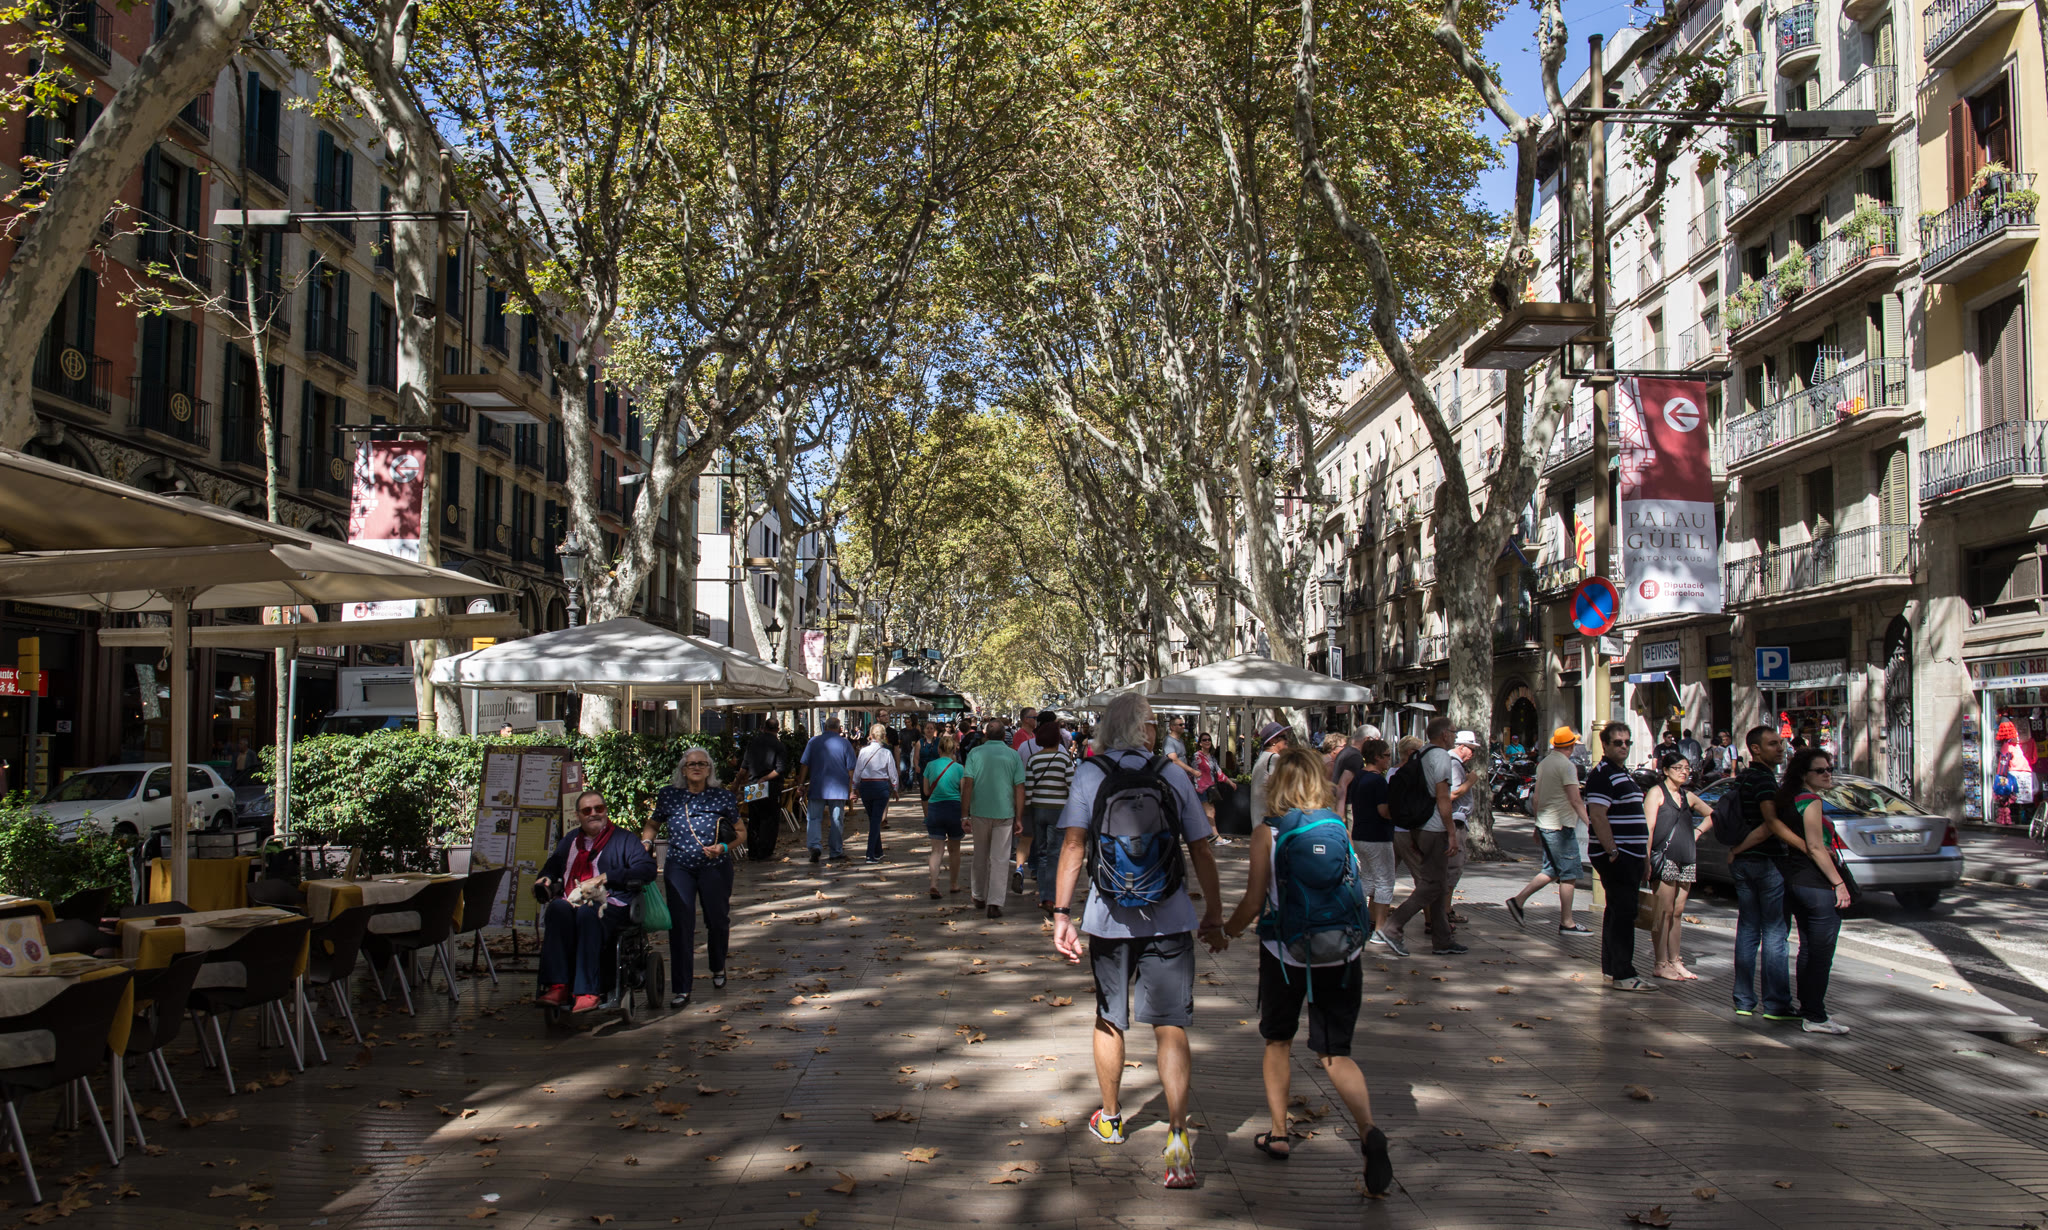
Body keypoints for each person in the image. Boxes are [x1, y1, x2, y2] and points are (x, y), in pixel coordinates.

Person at [1050, 693, 1224, 1190]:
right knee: (1171, 1025)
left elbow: (1074, 845)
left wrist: (1062, 914)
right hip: (1170, 917)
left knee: (1110, 1017)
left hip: (1108, 919)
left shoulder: (1090, 772)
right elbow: (1201, 848)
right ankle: (1178, 1138)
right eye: (1152, 724)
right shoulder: (1171, 773)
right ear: (1145, 728)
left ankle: (1110, 1118)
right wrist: (1214, 914)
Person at [1221, 746, 1392, 1194]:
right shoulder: (1337, 826)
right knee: (1335, 1053)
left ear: (1277, 784)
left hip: (1285, 954)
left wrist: (1226, 932)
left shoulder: (1269, 832)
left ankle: (1279, 1133)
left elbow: (1254, 900)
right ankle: (1368, 1130)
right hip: (1341, 954)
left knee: (1278, 1041)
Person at [535, 791, 656, 1013]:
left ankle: (587, 991)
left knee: (587, 914)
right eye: (587, 810)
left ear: (606, 810)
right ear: (578, 815)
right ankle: (558, 986)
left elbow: (647, 869)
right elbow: (553, 865)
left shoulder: (624, 839)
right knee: (557, 909)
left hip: (610, 903)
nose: (593, 814)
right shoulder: (571, 840)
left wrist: (606, 877)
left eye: (598, 808)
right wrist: (546, 878)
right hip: (573, 900)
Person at [645, 749, 741, 1009]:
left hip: (715, 867)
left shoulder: (722, 796)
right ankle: (681, 988)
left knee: (717, 920)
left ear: (709, 769)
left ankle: (717, 965)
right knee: (680, 925)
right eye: (691, 764)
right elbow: (653, 824)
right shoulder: (669, 795)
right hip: (679, 867)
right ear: (683, 770)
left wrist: (723, 847)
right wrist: (646, 842)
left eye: (702, 764)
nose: (696, 768)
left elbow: (741, 832)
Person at [1764, 747, 1851, 1034]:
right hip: (1816, 884)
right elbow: (1814, 846)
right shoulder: (1810, 801)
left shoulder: (1788, 800)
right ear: (1804, 774)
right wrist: (1838, 883)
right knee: (1821, 953)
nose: (1827, 774)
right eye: (1820, 770)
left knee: (1807, 948)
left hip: (1795, 880)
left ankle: (1809, 1009)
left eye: (1829, 769)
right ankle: (1816, 1015)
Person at [1728, 724, 1796, 1021]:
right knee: (1774, 932)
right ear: (1755, 749)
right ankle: (1777, 1003)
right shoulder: (1765, 780)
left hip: (1744, 865)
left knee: (1747, 929)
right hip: (1766, 862)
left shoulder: (1743, 778)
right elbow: (1770, 823)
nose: (1780, 748)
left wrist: (1737, 851)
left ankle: (1743, 1000)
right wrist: (1805, 846)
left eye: (1780, 743)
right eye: (1772, 744)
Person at [1381, 719, 1463, 959]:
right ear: (1445, 734)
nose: (1455, 737)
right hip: (1434, 828)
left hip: (1419, 825)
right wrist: (1451, 832)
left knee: (1437, 882)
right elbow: (1443, 796)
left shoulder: (1422, 753)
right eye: (1454, 732)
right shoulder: (1440, 756)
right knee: (1433, 884)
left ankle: (1442, 939)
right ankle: (1393, 927)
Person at [1585, 720, 1655, 992]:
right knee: (1624, 913)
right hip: (1619, 856)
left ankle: (1613, 969)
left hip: (1631, 854)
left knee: (1617, 911)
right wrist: (1613, 851)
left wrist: (1643, 857)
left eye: (1627, 742)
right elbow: (1598, 815)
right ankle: (1624, 973)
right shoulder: (1602, 774)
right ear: (1604, 745)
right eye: (1618, 742)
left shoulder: (1623, 774)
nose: (1624, 747)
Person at [1506, 727, 1591, 935]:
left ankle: (1518, 901)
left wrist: (1537, 824)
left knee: (1551, 870)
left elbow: (1536, 797)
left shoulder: (1544, 764)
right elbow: (1575, 799)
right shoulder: (1567, 767)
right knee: (1569, 874)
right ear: (1571, 746)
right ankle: (1567, 922)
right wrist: (1591, 824)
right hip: (1560, 826)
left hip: (1546, 824)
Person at [1642, 750, 1711, 982]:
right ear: (1665, 770)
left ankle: (1675, 960)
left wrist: (1697, 832)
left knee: (1678, 911)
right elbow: (1649, 828)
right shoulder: (1656, 793)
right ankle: (1660, 963)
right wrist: (1646, 860)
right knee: (1664, 911)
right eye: (1678, 768)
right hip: (1664, 858)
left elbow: (1712, 814)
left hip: (1686, 857)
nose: (1683, 772)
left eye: (1687, 768)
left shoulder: (1688, 796)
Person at [962, 717, 1027, 918]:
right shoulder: (1013, 755)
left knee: (980, 855)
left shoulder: (975, 753)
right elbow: (1019, 787)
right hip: (1005, 812)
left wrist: (964, 814)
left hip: (979, 811)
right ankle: (995, 902)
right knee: (1000, 858)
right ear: (1004, 735)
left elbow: (968, 784)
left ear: (986, 734)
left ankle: (978, 895)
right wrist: (1019, 817)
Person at [1023, 720, 1076, 921]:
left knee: (1042, 853)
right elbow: (1071, 786)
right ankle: (1053, 897)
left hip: (1038, 810)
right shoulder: (1063, 759)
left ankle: (1045, 895)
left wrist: (1027, 809)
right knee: (1055, 853)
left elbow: (1029, 788)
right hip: (1058, 811)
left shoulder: (1034, 760)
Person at [1346, 738, 1397, 943]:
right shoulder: (1378, 781)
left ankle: (1364, 922)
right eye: (1386, 756)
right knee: (1384, 881)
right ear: (1376, 757)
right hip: (1378, 836)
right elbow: (1383, 811)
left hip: (1361, 834)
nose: (1388, 760)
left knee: (1368, 879)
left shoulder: (1359, 777)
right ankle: (1380, 929)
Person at [800, 716, 857, 864]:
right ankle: (836, 850)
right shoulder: (845, 743)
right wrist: (852, 788)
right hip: (838, 788)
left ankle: (814, 846)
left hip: (817, 786)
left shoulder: (813, 742)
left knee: (814, 818)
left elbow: (804, 764)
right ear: (839, 729)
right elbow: (851, 768)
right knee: (836, 820)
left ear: (825, 727)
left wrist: (801, 783)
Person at [922, 733, 966, 898]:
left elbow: (926, 791)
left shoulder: (930, 766)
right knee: (954, 850)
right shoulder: (959, 768)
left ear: (939, 750)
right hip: (954, 808)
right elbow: (963, 792)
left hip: (935, 809)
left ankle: (934, 883)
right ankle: (954, 884)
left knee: (936, 850)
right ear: (954, 750)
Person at [1444, 731, 1482, 919]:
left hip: (1455, 820)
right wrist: (1470, 781)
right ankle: (1445, 911)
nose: (1472, 754)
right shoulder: (1454, 764)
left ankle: (1445, 909)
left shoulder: (1452, 762)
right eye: (1471, 749)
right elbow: (1452, 794)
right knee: (1454, 865)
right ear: (1461, 747)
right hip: (1454, 821)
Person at [741, 719, 788, 862]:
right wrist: (766, 778)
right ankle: (765, 852)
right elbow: (780, 769)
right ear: (777, 729)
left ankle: (753, 851)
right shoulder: (779, 745)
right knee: (769, 820)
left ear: (763, 728)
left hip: (754, 784)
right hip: (771, 786)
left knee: (754, 818)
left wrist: (736, 784)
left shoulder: (753, 743)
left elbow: (744, 767)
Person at [854, 723, 898, 864]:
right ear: (884, 736)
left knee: (873, 819)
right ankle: (870, 853)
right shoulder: (886, 753)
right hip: (881, 787)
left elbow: (858, 771)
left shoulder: (863, 751)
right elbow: (892, 772)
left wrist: (854, 787)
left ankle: (878, 851)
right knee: (875, 820)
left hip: (866, 787)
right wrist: (895, 788)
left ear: (870, 735)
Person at [1247, 722, 1291, 831]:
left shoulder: (1264, 757)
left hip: (1261, 819)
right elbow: (1276, 788)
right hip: (1270, 819)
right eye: (1284, 737)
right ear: (1273, 741)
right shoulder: (1274, 758)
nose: (1287, 740)